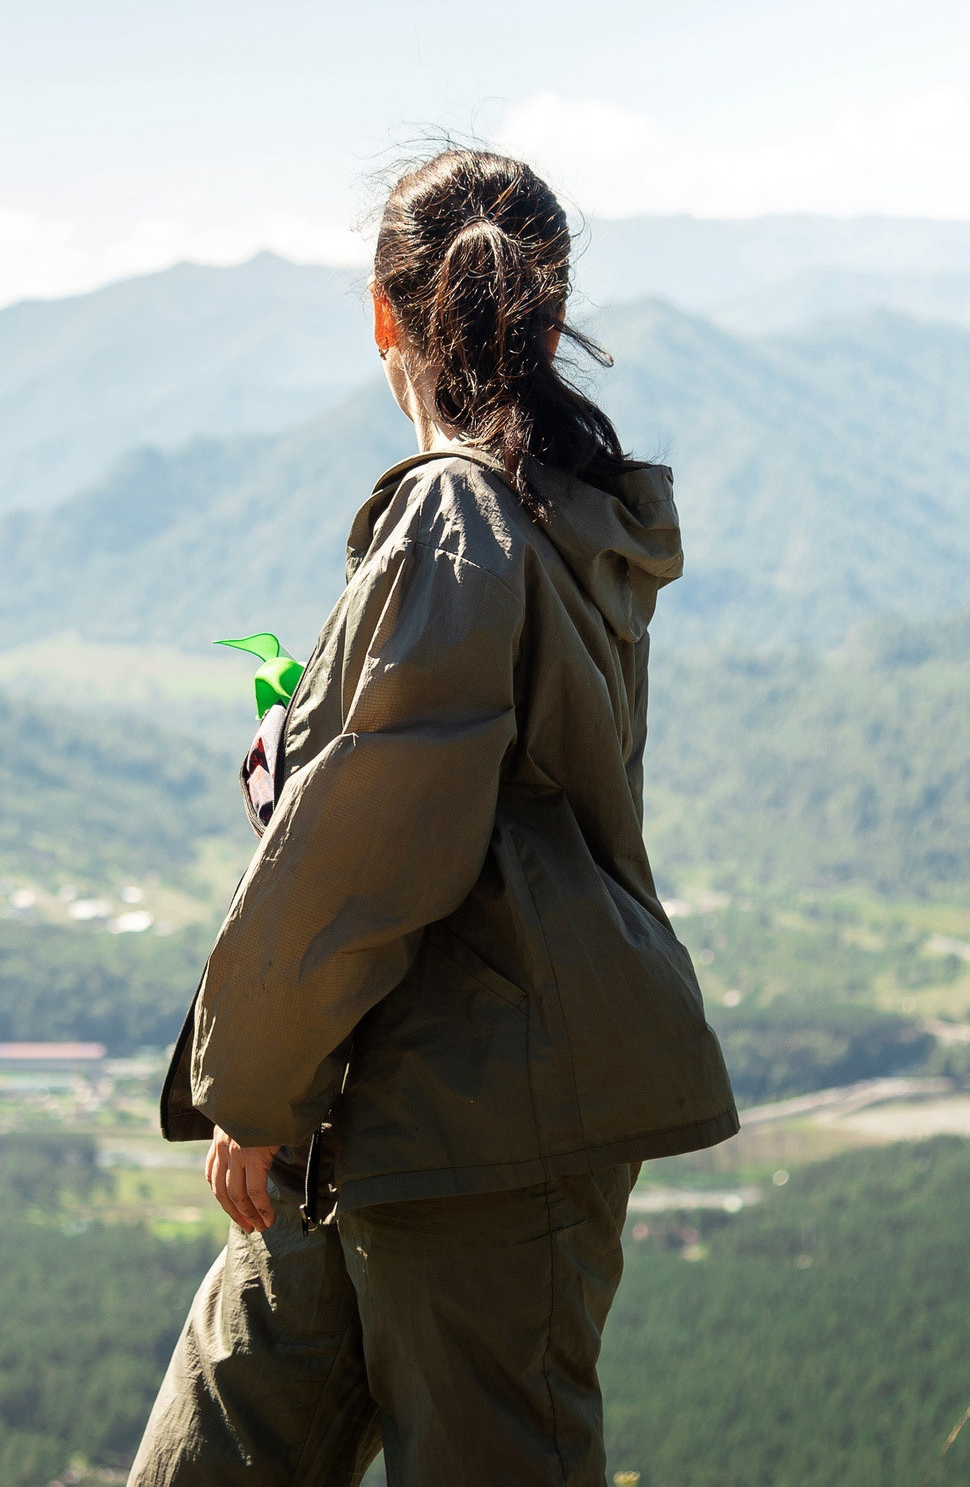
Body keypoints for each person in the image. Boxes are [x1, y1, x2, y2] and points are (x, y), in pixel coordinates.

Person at [130, 148, 737, 1487]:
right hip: (394, 1112)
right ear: (553, 302)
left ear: (383, 313)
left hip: (463, 1132)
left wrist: (253, 1086)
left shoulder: (459, 515)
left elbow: (379, 845)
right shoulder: (575, 519)